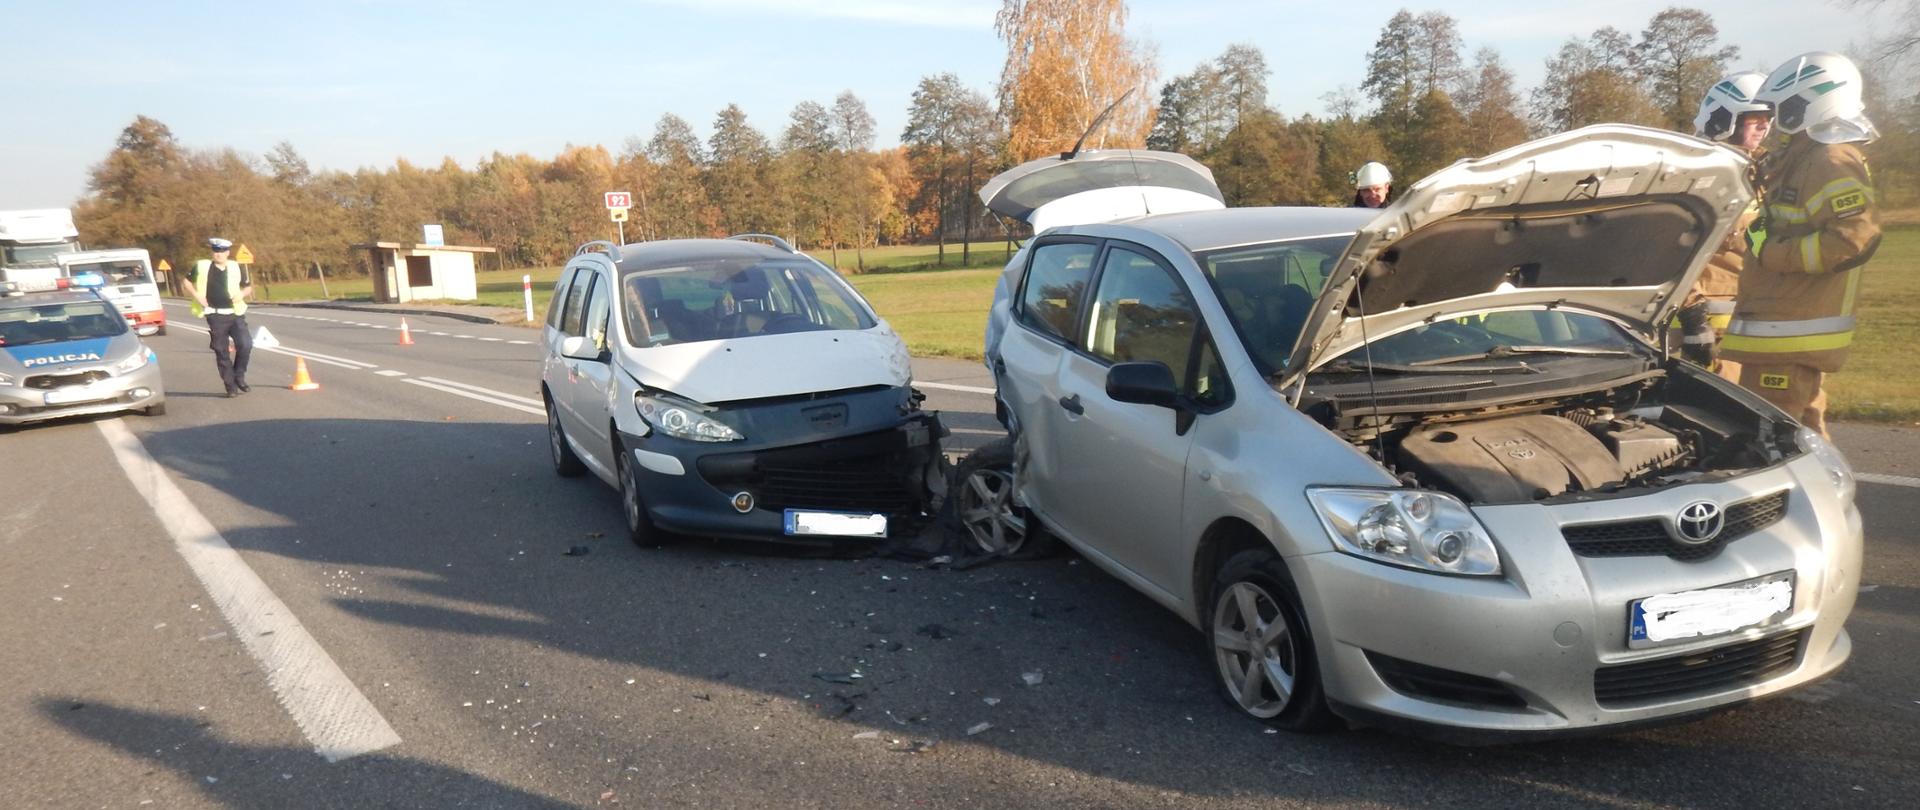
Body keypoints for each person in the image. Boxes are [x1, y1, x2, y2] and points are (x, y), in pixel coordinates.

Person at [1720, 52, 1882, 437]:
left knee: (1776, 444)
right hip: (1781, 328)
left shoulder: (1831, 158)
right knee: (1804, 440)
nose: (1778, 119)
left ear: (1814, 101)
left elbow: (1855, 238)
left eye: (1787, 107)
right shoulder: (1803, 155)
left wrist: (1771, 252)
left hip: (1789, 331)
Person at [1676, 70, 1772, 380]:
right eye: (1753, 118)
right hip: (1708, 325)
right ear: (1723, 119)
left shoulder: (1765, 170)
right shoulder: (1697, 174)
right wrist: (1693, 318)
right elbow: (1674, 249)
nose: (1764, 125)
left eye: (1767, 118)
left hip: (1752, 316)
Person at [180, 237, 255, 397]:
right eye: (215, 251)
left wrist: (241, 294)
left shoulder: (236, 267)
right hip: (215, 315)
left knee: (245, 344)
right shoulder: (202, 266)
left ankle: (239, 376)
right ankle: (230, 387)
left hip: (235, 314)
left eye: (221, 251)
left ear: (227, 253)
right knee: (221, 351)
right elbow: (186, 281)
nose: (218, 254)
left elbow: (248, 287)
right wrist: (196, 296)